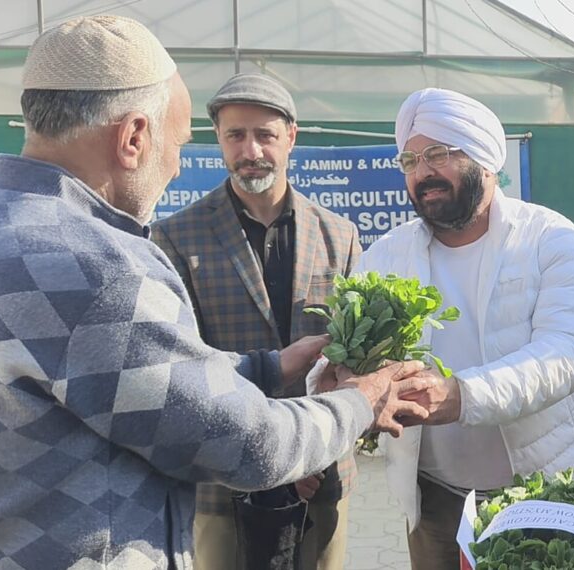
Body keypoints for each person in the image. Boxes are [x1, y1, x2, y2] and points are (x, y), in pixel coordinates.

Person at [0, 15, 429, 569]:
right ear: (133, 137)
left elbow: (140, 374)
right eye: (179, 143)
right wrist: (362, 402)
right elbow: (252, 444)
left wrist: (268, 369)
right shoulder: (99, 265)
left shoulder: (7, 228)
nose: (175, 166)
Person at [362, 88, 574, 569]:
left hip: (533, 490)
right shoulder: (387, 254)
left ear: (485, 158)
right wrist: (334, 379)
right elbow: (353, 354)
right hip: (433, 499)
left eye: (438, 154)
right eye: (409, 160)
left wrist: (460, 396)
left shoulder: (549, 239)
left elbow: (567, 352)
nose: (422, 172)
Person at [150, 73, 361, 570]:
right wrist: (269, 456)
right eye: (235, 135)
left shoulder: (339, 235)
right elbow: (184, 368)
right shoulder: (177, 238)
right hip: (222, 480)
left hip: (322, 472)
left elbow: (353, 358)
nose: (251, 150)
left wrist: (309, 453)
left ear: (291, 136)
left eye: (265, 134)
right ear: (218, 141)